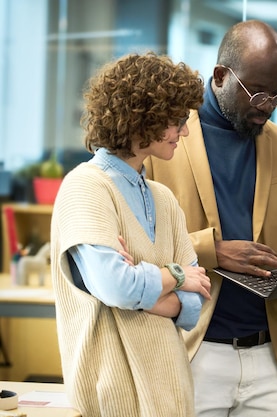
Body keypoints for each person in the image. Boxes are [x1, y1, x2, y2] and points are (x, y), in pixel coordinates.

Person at [144, 20, 277, 416]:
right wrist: (212, 251)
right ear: (220, 76)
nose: (266, 107)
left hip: (272, 361)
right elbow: (136, 246)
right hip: (192, 351)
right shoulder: (161, 140)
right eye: (258, 93)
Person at [50, 52, 212, 416]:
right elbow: (117, 287)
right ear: (145, 118)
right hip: (113, 399)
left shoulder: (164, 199)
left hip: (171, 392)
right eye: (178, 120)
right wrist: (176, 275)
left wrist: (143, 285)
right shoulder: (85, 188)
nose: (184, 132)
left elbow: (194, 306)